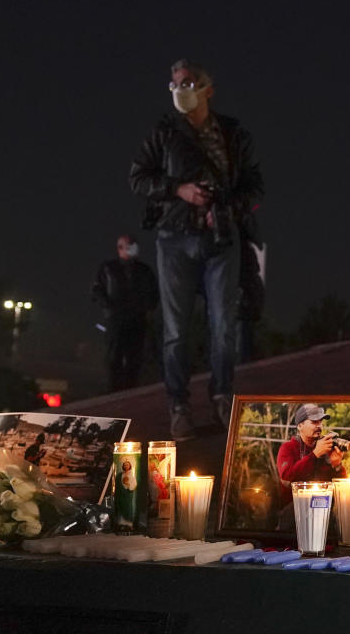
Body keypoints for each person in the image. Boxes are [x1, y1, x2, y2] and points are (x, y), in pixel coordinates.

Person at [129, 59, 264, 439]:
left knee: (223, 326)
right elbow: (138, 177)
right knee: (176, 330)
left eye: (187, 83)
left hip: (221, 239)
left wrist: (224, 209)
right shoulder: (164, 132)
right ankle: (179, 405)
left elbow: (255, 187)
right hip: (174, 238)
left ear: (208, 88)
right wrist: (179, 190)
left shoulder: (233, 133)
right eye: (173, 85)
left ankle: (223, 397)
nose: (179, 91)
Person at [92, 234, 159, 392]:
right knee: (114, 357)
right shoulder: (108, 268)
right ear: (119, 248)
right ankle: (113, 391)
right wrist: (108, 306)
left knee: (134, 357)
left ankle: (131, 390)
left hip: (137, 319)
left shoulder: (144, 270)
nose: (132, 249)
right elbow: (97, 289)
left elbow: (154, 292)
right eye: (128, 246)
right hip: (115, 319)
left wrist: (148, 309)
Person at [276, 404, 348, 511]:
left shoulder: (326, 449)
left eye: (320, 422)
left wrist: (337, 466)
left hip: (322, 512)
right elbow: (287, 477)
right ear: (300, 426)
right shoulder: (287, 448)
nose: (319, 426)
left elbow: (342, 489)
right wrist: (314, 455)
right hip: (294, 515)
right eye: (314, 422)